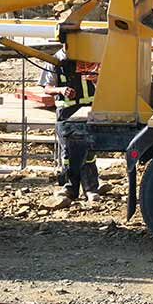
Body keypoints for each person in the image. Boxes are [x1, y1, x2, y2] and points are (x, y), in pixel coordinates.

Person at [38, 46, 109, 202]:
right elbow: (46, 87)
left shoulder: (87, 58)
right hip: (66, 113)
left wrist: (96, 78)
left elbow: (102, 81)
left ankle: (90, 188)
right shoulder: (55, 61)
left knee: (88, 152)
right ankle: (70, 188)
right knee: (68, 153)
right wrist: (61, 90)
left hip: (86, 110)